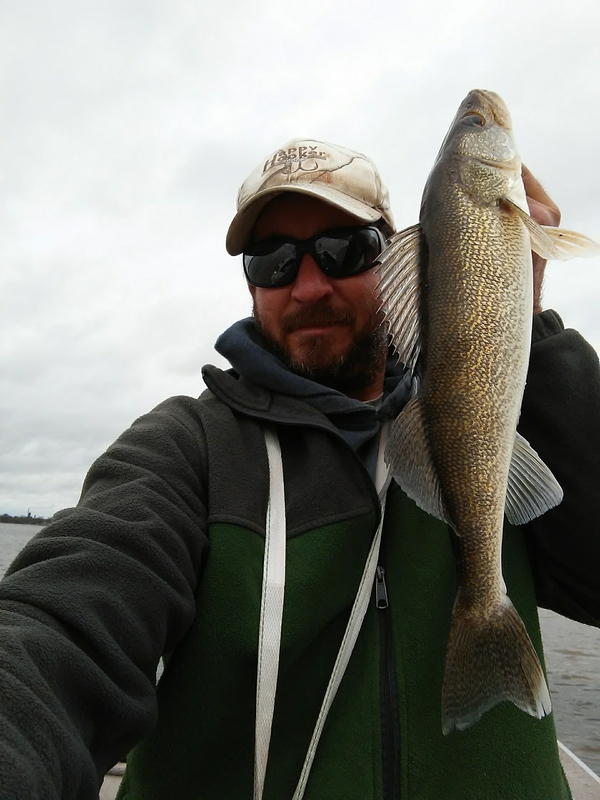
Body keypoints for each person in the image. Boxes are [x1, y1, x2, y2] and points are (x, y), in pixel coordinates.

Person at [0, 138, 599, 800]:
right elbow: (62, 625)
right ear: (251, 285)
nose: (309, 287)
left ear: (400, 257)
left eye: (344, 249)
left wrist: (522, 322)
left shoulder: (492, 430)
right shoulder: (187, 449)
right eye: (274, 261)